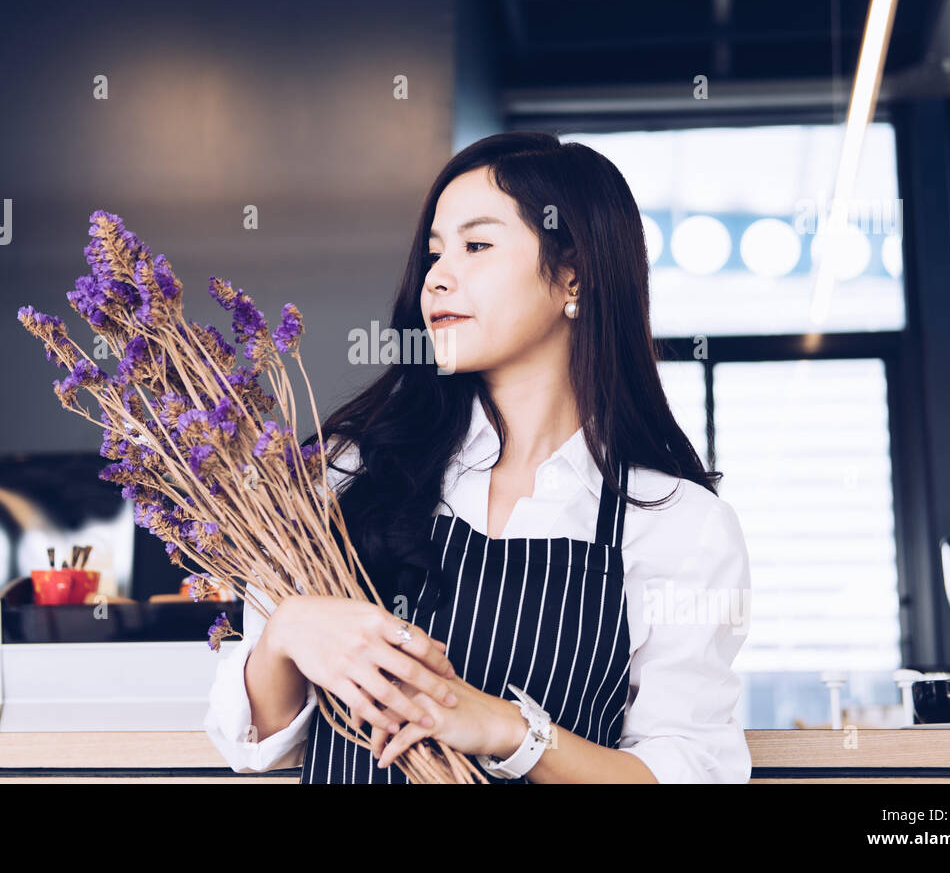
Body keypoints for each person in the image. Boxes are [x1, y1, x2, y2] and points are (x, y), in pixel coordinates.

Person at [204, 131, 752, 783]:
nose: (438, 276)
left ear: (574, 273)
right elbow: (253, 744)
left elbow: (684, 770)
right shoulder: (344, 473)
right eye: (435, 252)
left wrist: (508, 729)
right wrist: (287, 632)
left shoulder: (676, 525)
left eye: (477, 245)